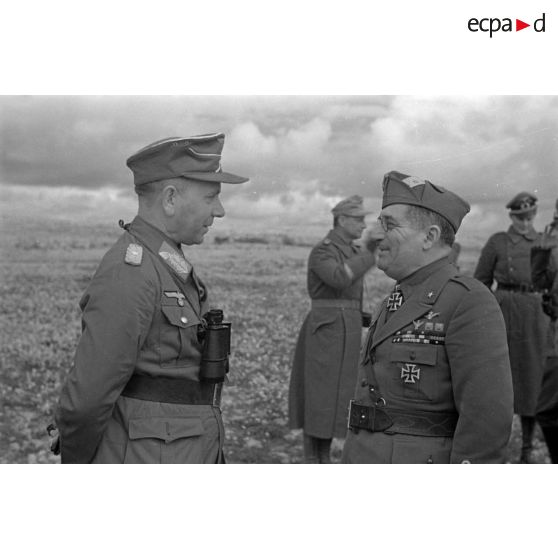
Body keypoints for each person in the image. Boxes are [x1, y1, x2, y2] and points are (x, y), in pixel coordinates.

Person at [54, 133, 248, 463]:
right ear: (170, 199)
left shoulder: (165, 260)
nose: (220, 210)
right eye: (210, 197)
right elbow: (86, 402)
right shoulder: (131, 272)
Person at [342, 171, 513, 464]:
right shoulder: (397, 298)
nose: (376, 235)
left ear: (430, 237)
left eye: (390, 225)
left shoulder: (467, 300)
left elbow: (486, 422)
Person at [288, 195, 378, 463]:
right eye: (358, 219)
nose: (363, 225)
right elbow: (338, 279)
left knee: (336, 395)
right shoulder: (323, 250)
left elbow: (351, 294)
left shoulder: (350, 251)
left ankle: (322, 457)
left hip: (344, 329)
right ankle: (314, 458)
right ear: (341, 220)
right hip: (327, 330)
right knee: (320, 395)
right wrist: (369, 253)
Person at [474, 192, 549, 463]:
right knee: (500, 379)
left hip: (535, 315)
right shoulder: (498, 242)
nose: (525, 223)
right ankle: (496, 447)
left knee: (532, 379)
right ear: (512, 217)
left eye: (529, 218)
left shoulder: (544, 242)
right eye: (520, 218)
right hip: (503, 313)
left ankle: (527, 448)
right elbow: (480, 281)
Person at [532, 198, 558, 462]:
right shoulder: (550, 240)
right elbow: (539, 281)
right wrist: (541, 251)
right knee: (548, 408)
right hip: (555, 338)